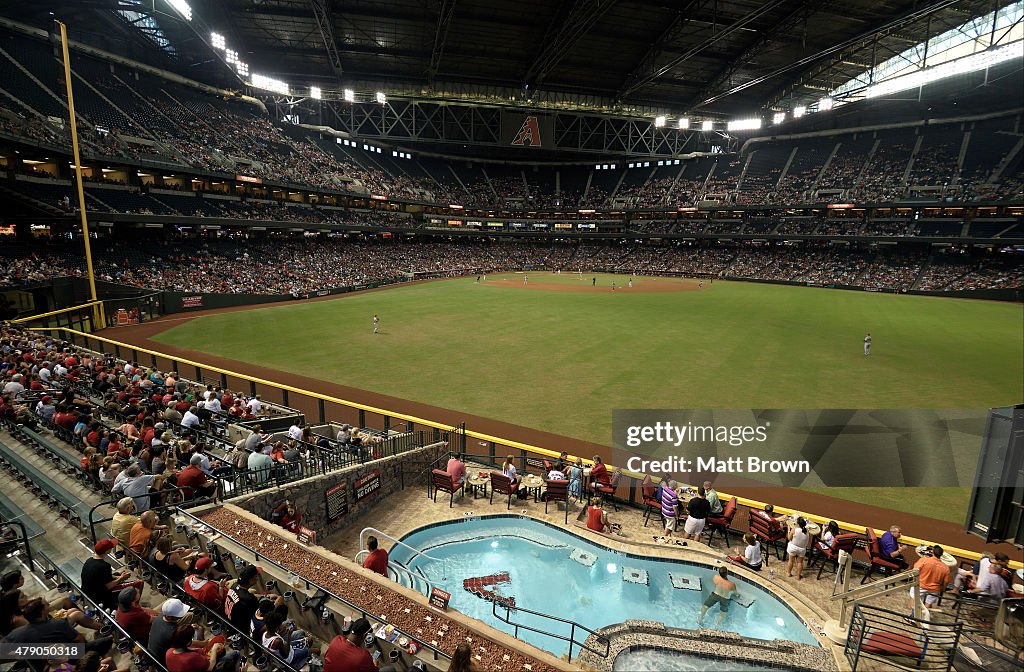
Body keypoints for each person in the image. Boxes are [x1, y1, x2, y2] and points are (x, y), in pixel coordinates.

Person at [81, 539, 143, 610]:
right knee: (139, 583)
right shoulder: (104, 566)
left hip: (87, 592)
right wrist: (121, 578)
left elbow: (102, 576)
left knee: (117, 573)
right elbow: (108, 586)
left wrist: (118, 576)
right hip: (99, 596)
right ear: (107, 551)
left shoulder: (89, 560)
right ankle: (134, 608)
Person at [324, 617, 397, 672]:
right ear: (364, 636)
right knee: (390, 669)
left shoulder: (337, 639)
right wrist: (375, 664)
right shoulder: (363, 656)